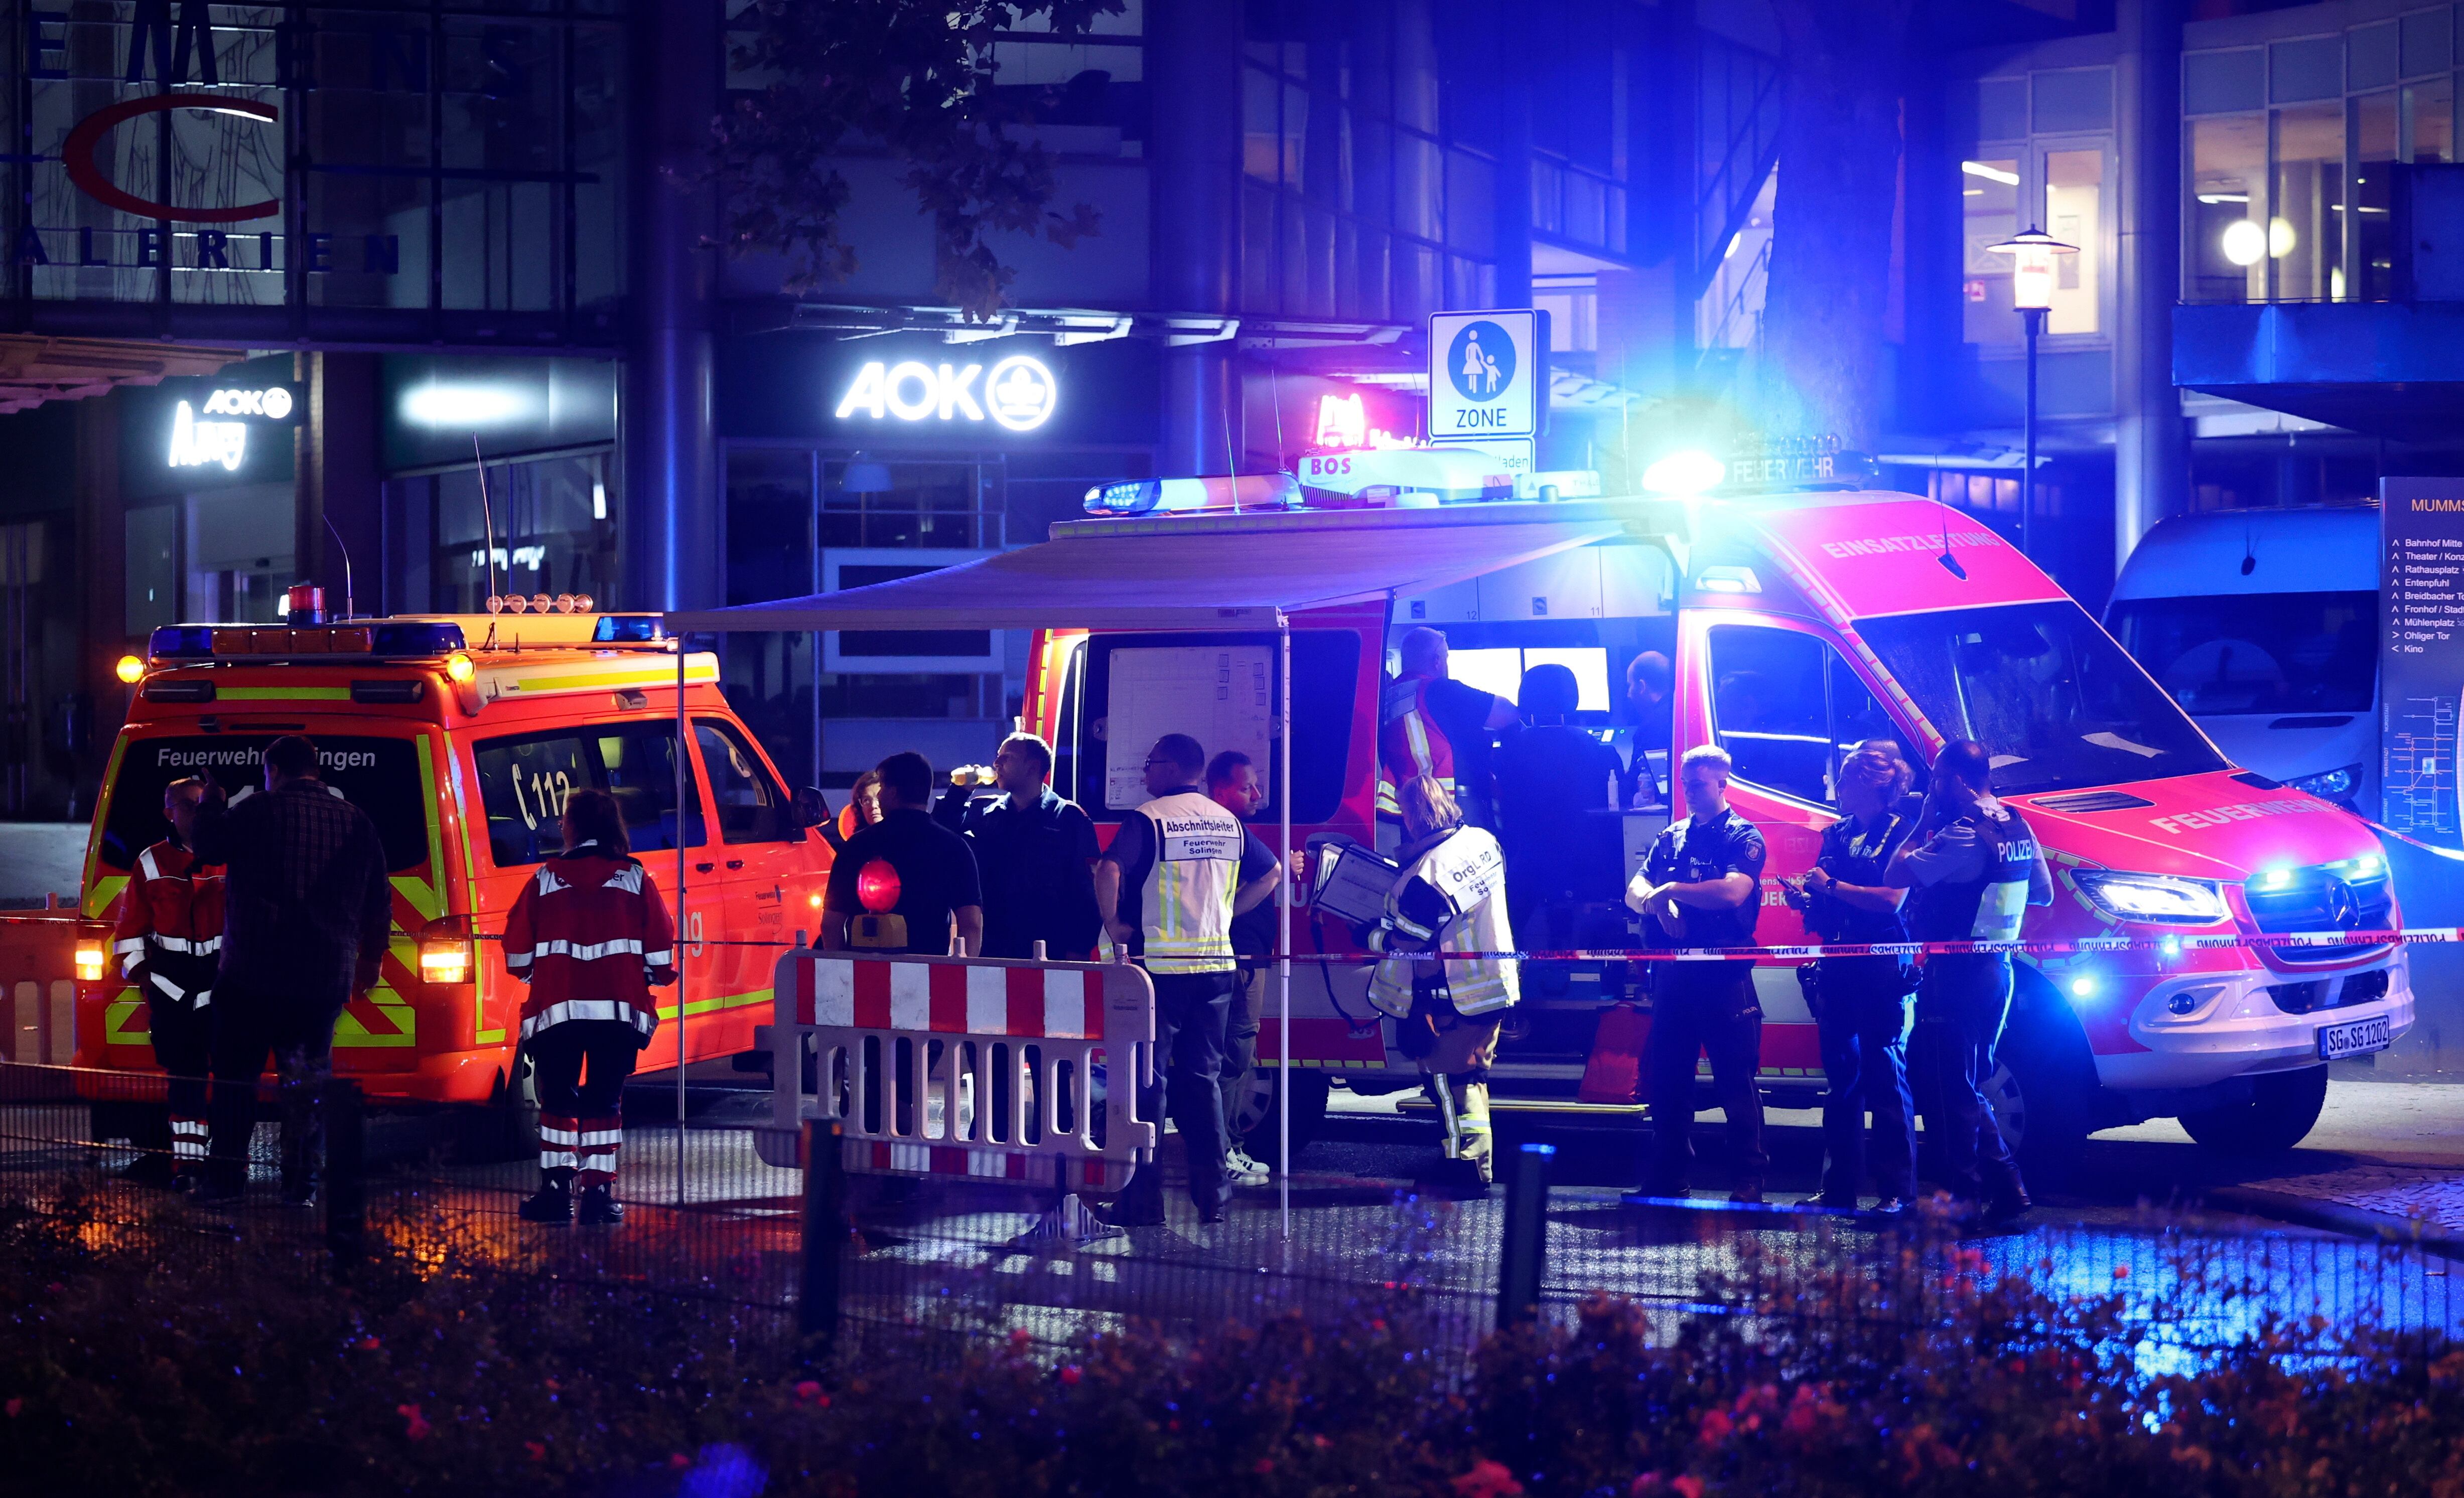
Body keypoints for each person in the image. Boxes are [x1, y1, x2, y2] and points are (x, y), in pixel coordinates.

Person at [189, 735, 392, 1206]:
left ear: (274, 770)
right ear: (315, 771)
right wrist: (371, 960)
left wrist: (212, 803)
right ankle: (300, 1183)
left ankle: (225, 1181)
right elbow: (378, 901)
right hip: (321, 981)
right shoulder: (356, 821)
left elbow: (207, 846)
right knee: (306, 1085)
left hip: (251, 977)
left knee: (236, 1081)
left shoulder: (257, 810)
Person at [1092, 733, 1280, 1225]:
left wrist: (1114, 925)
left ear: (1172, 766)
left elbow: (1110, 870)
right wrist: (1227, 914)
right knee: (1204, 1080)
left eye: (1150, 762)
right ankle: (1214, 1195)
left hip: (1162, 971)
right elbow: (1272, 872)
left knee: (1148, 1082)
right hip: (1216, 968)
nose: (1144, 772)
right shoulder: (1228, 821)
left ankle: (1141, 1201)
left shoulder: (1149, 819)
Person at [1888, 738, 2054, 1226]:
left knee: (1950, 1090)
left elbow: (1895, 871)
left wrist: (1921, 823)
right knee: (1970, 1082)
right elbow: (2041, 893)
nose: (1932, 787)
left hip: (1956, 975)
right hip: (1997, 970)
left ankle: (1964, 1202)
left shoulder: (1962, 833)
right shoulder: (2016, 824)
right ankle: (2009, 1187)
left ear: (1957, 781)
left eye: (1937, 779)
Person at [500, 788, 676, 1226]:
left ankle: (556, 1194)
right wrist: (648, 979)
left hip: (556, 1014)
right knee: (604, 1101)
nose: (560, 826)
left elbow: (517, 952)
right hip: (617, 1015)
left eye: (564, 820)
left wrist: (536, 976)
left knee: (558, 1099)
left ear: (574, 827)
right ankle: (599, 1197)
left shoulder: (545, 878)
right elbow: (660, 949)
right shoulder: (634, 878)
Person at [1625, 743, 1769, 1203]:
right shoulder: (1672, 836)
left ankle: (1748, 1182)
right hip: (1674, 978)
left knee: (1736, 1082)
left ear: (1724, 784)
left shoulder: (1742, 835)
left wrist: (1672, 889)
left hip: (1724, 977)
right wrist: (1655, 900)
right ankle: (1667, 1178)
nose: (1688, 790)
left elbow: (1732, 893)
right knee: (1667, 1080)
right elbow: (1634, 888)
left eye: (1698, 783)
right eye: (1685, 783)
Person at [1781, 748, 1919, 1213]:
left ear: (1873, 783)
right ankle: (1839, 1189)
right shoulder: (1837, 833)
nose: (1837, 786)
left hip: (1882, 961)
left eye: (1845, 778)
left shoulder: (1903, 832)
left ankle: (1897, 1192)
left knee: (1884, 1071)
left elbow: (1892, 901)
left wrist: (1831, 887)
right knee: (1841, 1077)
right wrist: (1807, 900)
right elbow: (1824, 897)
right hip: (1838, 961)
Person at [1366, 776, 1519, 1188]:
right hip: (1490, 985)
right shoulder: (1481, 841)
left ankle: (1464, 1168)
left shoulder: (1431, 870)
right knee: (1469, 1079)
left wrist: (1371, 935)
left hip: (1454, 995)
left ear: (1412, 818)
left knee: (1449, 1082)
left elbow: (1410, 936)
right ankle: (1474, 1160)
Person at [109, 775, 225, 1188]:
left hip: (224, 990)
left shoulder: (231, 856)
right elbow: (128, 936)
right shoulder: (150, 863)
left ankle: (228, 1170)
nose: (196, 812)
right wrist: (147, 981)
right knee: (184, 1085)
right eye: (187, 805)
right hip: (172, 993)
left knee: (231, 1084)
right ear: (169, 812)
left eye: (202, 803)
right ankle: (188, 1169)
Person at [1493, 662, 1623, 989]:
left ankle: (1515, 987)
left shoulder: (1508, 751)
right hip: (1584, 863)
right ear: (1573, 698)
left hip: (1524, 861)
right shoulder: (1597, 749)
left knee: (1514, 924)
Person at [820, 752, 984, 956]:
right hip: (930, 974)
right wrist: (963, 973)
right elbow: (971, 923)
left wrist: (842, 970)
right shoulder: (955, 847)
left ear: (893, 793)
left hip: (865, 974)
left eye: (882, 789)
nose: (878, 797)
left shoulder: (856, 846)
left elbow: (831, 923)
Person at [1205, 749, 1281, 1190]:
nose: (1257, 794)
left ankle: (1225, 1150)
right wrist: (1229, 913)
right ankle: (1228, 1152)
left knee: (1230, 1057)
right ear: (1221, 791)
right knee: (1235, 1057)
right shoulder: (1227, 831)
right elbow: (1266, 876)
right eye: (1246, 786)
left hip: (1238, 955)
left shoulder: (1228, 830)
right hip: (1242, 956)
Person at [961, 732, 1103, 961]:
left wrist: (1079, 949)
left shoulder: (1068, 818)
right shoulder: (984, 813)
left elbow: (1088, 893)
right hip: (994, 949)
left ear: (1032, 767)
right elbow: (937, 836)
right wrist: (960, 792)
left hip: (1050, 952)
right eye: (998, 757)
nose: (997, 763)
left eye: (1007, 757)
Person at [1378, 627, 1518, 831]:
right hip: (1454, 806)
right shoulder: (1440, 689)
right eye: (1446, 656)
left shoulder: (1388, 696)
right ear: (1437, 660)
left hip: (1410, 811)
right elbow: (1507, 714)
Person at [1620, 651, 1676, 807]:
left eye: (1630, 686)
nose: (1629, 694)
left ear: (1642, 686)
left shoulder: (1650, 727)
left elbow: (1635, 785)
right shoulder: (1681, 713)